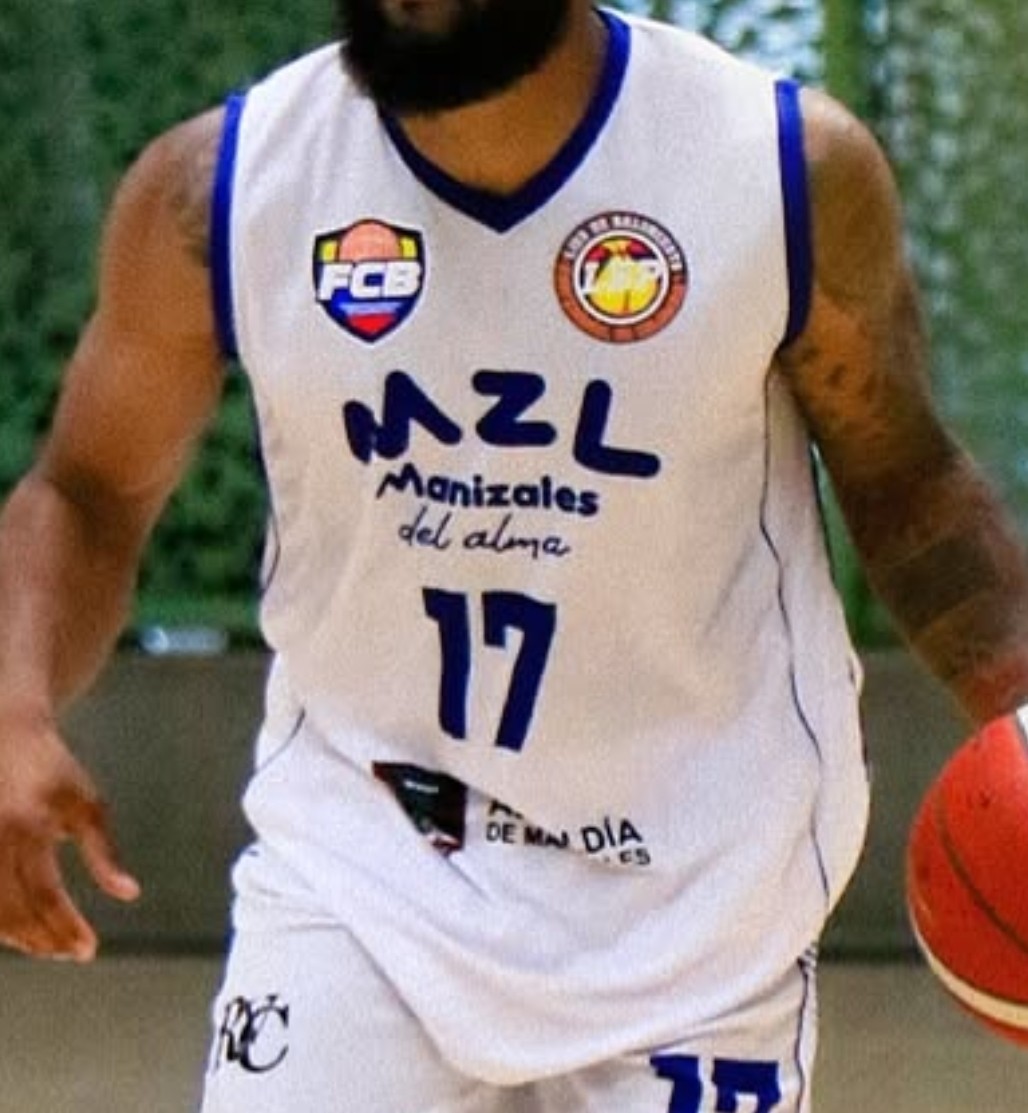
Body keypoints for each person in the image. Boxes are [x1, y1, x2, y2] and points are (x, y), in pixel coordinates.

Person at [1, 0, 1027, 1109]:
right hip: (365, 876)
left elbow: (906, 481)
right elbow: (85, 490)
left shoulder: (782, 171)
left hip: (697, 911)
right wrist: (13, 704)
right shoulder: (221, 192)